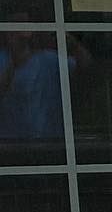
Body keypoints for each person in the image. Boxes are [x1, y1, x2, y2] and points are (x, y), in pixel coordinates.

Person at [0, 16, 89, 149]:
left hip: (49, 141)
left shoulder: (48, 59)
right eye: (14, 27)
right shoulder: (2, 59)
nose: (19, 32)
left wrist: (73, 44)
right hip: (9, 142)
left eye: (24, 25)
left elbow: (87, 68)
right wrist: (15, 60)